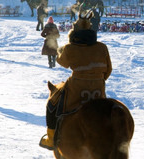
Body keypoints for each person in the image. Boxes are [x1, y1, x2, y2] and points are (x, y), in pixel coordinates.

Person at [39, 11, 112, 150]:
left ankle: (51, 138)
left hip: (76, 89)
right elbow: (108, 70)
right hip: (98, 90)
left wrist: (65, 48)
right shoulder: (102, 47)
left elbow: (62, 61)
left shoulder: (70, 48)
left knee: (52, 103)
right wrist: (97, 79)